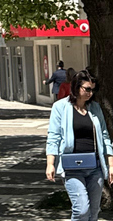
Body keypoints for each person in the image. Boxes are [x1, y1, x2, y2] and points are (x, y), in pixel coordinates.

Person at [46, 70, 113, 221]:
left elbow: (105, 137)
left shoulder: (95, 108)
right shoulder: (60, 107)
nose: (90, 93)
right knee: (82, 210)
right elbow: (53, 137)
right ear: (76, 87)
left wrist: (111, 165)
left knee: (94, 212)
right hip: (72, 168)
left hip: (95, 167)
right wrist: (50, 164)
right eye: (87, 89)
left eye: (93, 89)